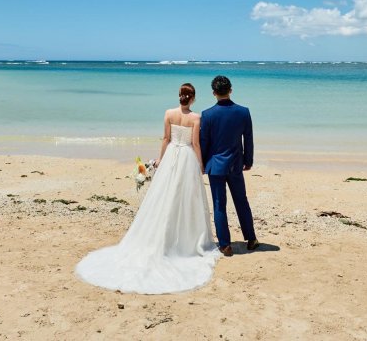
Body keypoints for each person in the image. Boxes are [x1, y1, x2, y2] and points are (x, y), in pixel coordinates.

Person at [74, 83, 219, 294]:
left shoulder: (169, 113)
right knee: (186, 198)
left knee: (164, 195)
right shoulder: (196, 118)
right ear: (193, 98)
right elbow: (195, 144)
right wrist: (201, 164)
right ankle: (185, 241)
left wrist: (160, 159)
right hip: (186, 157)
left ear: (179, 96)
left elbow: (166, 139)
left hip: (171, 155)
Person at [200, 75, 259, 256]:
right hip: (235, 164)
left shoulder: (207, 115)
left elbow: (204, 143)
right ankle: (251, 239)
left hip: (215, 166)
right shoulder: (243, 112)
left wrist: (202, 164)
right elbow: (248, 139)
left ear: (214, 93)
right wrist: (248, 161)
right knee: (241, 201)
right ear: (231, 90)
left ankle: (225, 245)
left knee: (219, 204)